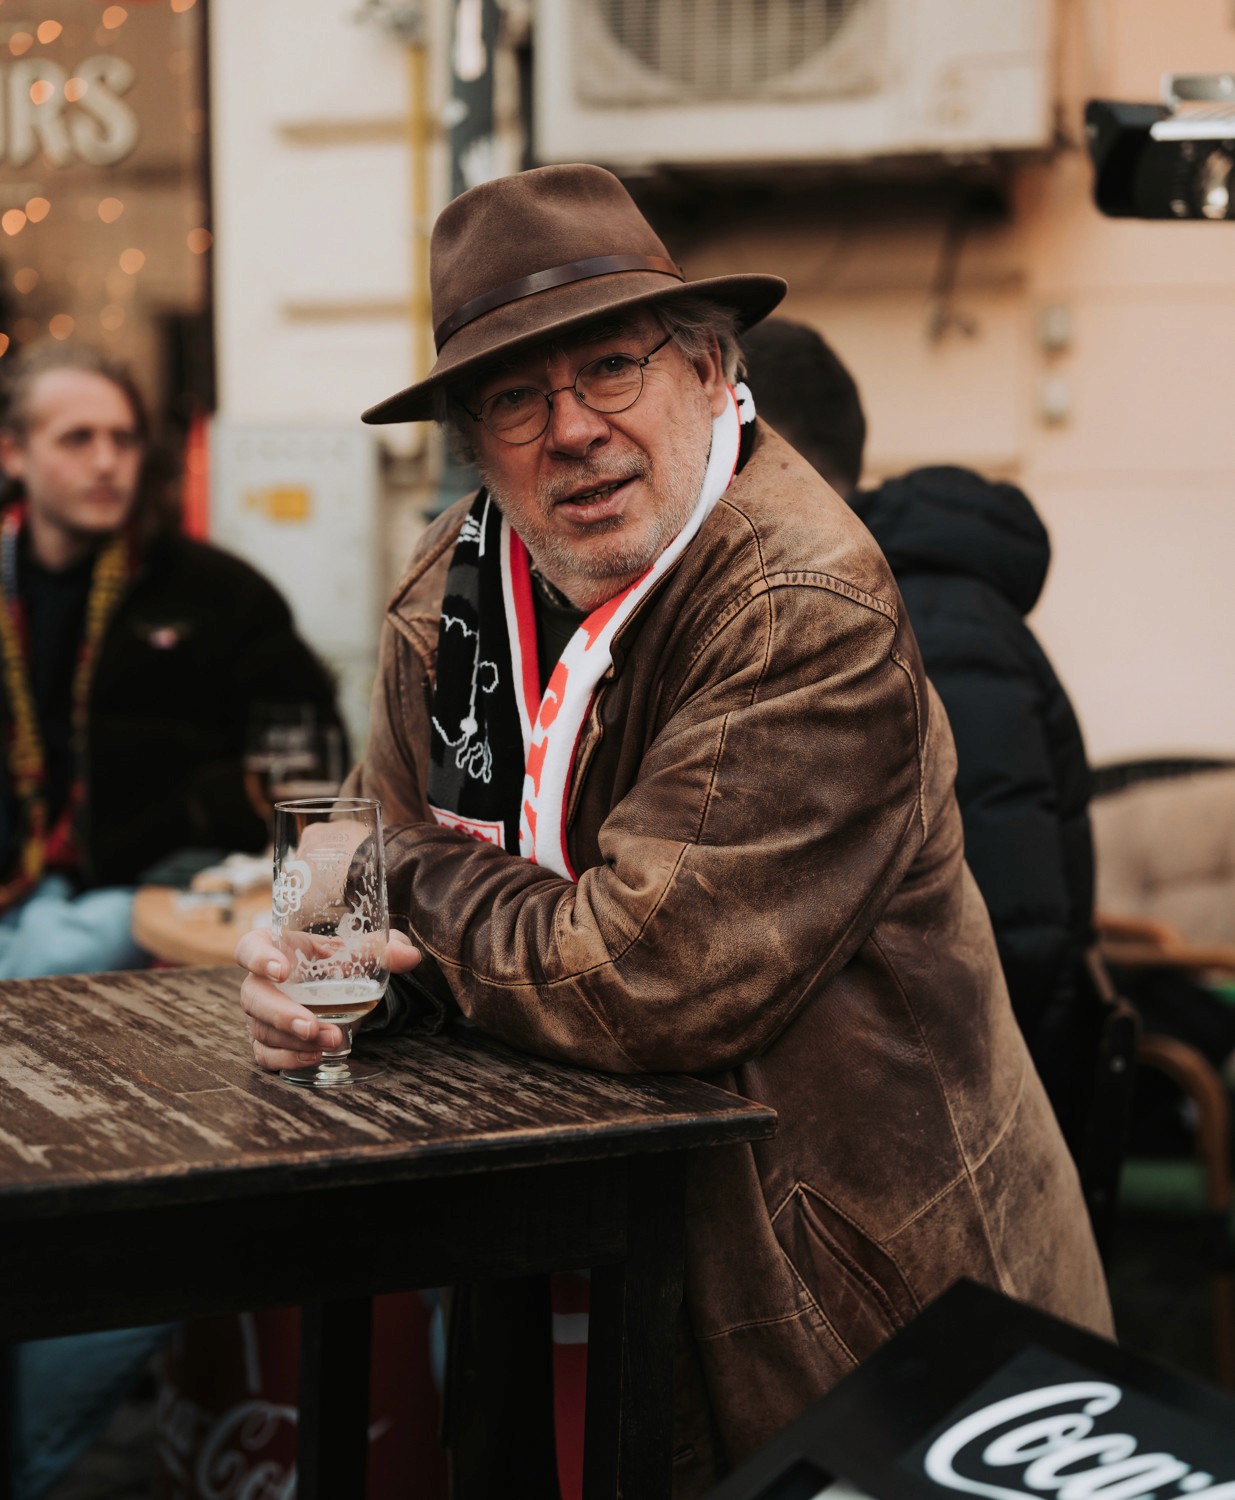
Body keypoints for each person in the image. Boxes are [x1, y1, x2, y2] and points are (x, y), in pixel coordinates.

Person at [237, 164, 1113, 1495]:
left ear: (708, 371)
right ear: (472, 441)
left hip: (842, 1311)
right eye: (514, 398)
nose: (570, 430)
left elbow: (639, 976)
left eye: (610, 368)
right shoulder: (451, 587)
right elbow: (346, 867)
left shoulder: (803, 602)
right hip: (551, 1261)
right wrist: (305, 971)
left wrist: (397, 878)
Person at [0, 341, 344, 1500]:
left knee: (118, 1232)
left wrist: (215, 826)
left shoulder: (217, 594)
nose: (108, 460)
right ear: (15, 454)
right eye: (76, 438)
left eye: (123, 437)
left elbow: (313, 763)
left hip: (143, 931)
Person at [739, 317, 1100, 1154]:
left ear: (762, 452)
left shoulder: (906, 623)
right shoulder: (871, 604)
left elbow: (1010, 944)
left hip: (969, 1136)